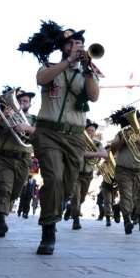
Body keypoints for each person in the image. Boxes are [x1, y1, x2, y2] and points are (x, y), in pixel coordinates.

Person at [17, 21, 100, 254]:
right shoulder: (49, 66)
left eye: (81, 44)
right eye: (73, 43)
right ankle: (48, 230)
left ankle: (55, 206)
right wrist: (67, 62)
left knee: (67, 182)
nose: (78, 46)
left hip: (74, 137)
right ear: (64, 48)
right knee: (53, 178)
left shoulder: (87, 73)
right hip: (48, 133)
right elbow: (42, 80)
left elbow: (93, 97)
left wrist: (87, 69)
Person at [0, 88, 36, 237]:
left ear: (30, 105)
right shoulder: (3, 115)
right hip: (3, 158)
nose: (22, 103)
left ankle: (2, 212)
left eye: (25, 101)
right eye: (19, 101)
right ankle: (0, 221)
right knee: (4, 189)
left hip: (23, 160)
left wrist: (27, 128)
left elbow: (43, 135)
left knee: (14, 192)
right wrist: (1, 118)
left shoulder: (34, 120)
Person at [108, 107, 140, 236]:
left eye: (139, 120)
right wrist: (123, 141)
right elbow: (112, 149)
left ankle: (118, 207)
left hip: (139, 171)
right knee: (127, 196)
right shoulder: (121, 133)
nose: (139, 123)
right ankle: (127, 221)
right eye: (137, 120)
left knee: (132, 197)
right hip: (123, 170)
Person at [71, 120, 105, 230]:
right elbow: (82, 154)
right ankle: (76, 220)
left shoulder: (97, 143)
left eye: (92, 131)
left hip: (88, 174)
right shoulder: (78, 141)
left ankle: (70, 209)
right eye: (88, 130)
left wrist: (100, 154)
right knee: (76, 196)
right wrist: (96, 154)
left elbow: (104, 154)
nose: (90, 133)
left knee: (82, 197)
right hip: (76, 173)